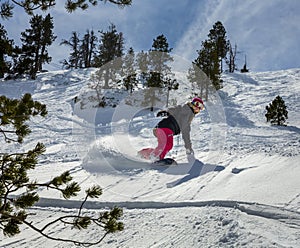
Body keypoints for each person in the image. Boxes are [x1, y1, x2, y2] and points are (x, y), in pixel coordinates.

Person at [138, 97, 205, 161]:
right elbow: (175, 109)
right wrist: (166, 112)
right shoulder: (185, 108)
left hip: (162, 128)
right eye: (197, 103)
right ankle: (157, 157)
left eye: (200, 106)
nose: (198, 107)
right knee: (168, 145)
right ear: (192, 103)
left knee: (164, 146)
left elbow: (186, 135)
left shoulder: (188, 120)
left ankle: (145, 153)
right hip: (166, 127)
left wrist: (188, 147)